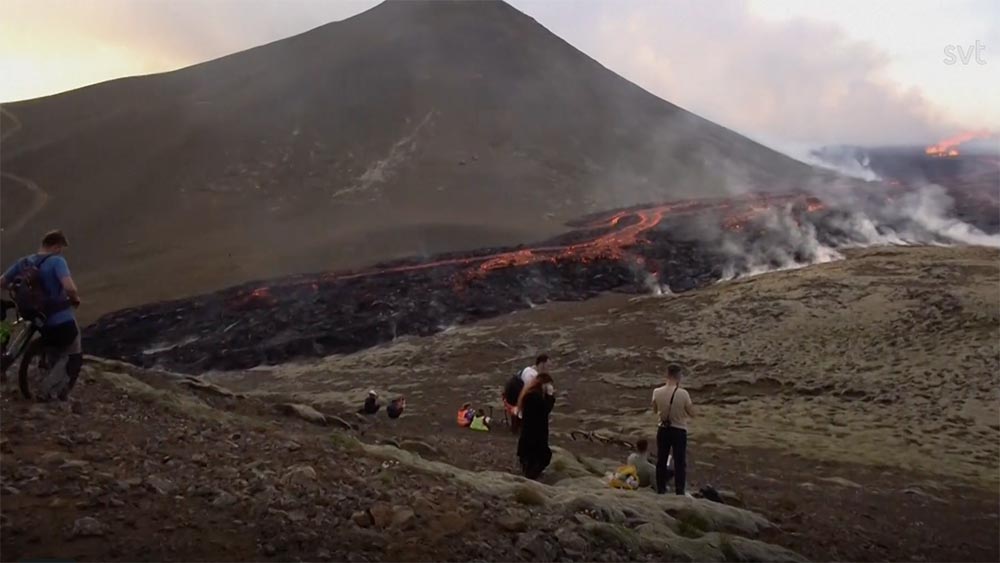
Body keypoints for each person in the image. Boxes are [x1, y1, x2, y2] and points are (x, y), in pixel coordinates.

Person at [0, 230, 82, 400]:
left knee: (51, 345)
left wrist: (15, 291)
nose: (60, 251)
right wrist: (75, 299)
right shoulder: (57, 261)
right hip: (60, 318)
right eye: (60, 248)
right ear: (56, 246)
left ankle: (46, 378)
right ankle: (48, 392)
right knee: (73, 352)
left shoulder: (24, 262)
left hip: (37, 318)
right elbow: (69, 288)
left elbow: (2, 281)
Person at [652, 364, 695, 496]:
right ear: (678, 376)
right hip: (679, 429)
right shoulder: (683, 393)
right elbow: (692, 412)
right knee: (679, 461)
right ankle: (679, 490)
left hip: (663, 429)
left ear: (667, 375)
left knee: (661, 459)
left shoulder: (657, 392)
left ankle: (661, 489)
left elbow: (654, 410)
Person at [517, 372, 555, 479]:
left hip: (530, 434)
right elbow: (545, 410)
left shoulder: (529, 394)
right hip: (535, 434)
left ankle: (529, 475)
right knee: (541, 457)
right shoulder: (534, 396)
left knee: (531, 459)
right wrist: (549, 396)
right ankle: (531, 477)